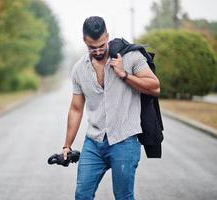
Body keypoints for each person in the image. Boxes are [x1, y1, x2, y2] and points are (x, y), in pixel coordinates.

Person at [62, 16, 160, 200]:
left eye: (102, 45)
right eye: (92, 47)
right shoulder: (78, 69)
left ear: (107, 36)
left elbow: (155, 87)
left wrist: (124, 74)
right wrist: (67, 145)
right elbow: (76, 109)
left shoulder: (130, 57)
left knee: (123, 197)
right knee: (81, 195)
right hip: (93, 142)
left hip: (124, 141)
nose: (98, 51)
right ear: (84, 40)